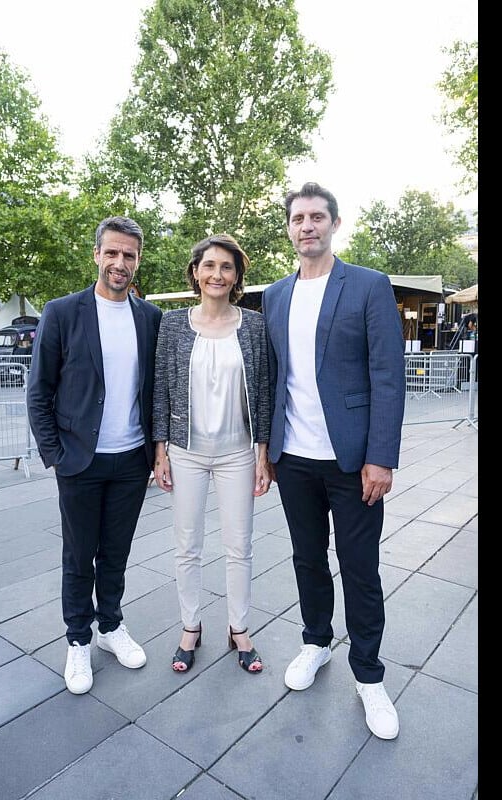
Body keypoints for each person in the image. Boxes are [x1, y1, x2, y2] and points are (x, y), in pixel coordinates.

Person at [262, 182, 406, 739]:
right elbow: (273, 380)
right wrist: (265, 451)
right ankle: (316, 641)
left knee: (360, 567)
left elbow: (387, 376)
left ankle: (369, 676)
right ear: (290, 229)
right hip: (293, 458)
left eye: (317, 217)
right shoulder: (275, 295)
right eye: (298, 218)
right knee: (306, 559)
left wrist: (380, 458)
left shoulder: (368, 286)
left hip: (353, 463)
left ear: (334, 224)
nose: (307, 226)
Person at [27, 216, 162, 695]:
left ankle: (110, 626)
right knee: (78, 554)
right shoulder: (62, 312)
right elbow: (39, 390)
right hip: (79, 460)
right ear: (97, 255)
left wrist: (156, 451)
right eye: (112, 253)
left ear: (137, 260)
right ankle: (78, 640)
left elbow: (156, 392)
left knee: (117, 553)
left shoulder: (149, 318)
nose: (120, 263)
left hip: (130, 461)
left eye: (129, 255)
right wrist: (55, 455)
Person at [152, 233, 271, 675]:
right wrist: (160, 451)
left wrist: (263, 454)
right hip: (185, 452)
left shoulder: (255, 326)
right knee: (188, 546)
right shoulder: (172, 324)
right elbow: (161, 390)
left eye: (226, 267)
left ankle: (239, 628)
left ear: (237, 275)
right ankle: (191, 625)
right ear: (195, 273)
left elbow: (263, 391)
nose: (217, 274)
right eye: (209, 266)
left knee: (239, 547)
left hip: (238, 453)